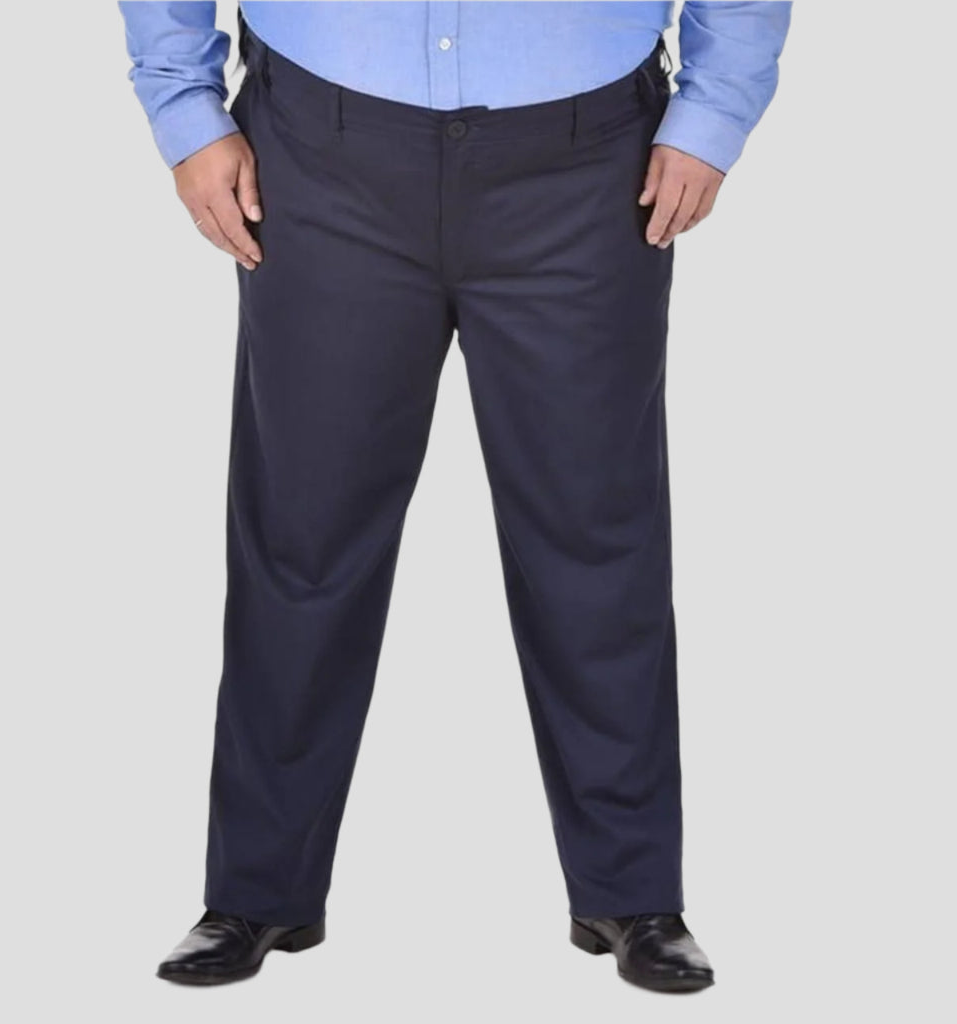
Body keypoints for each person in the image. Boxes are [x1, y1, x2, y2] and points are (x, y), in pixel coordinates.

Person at [118, 0, 791, 992]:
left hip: (588, 163)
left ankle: (632, 891)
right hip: (318, 152)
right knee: (302, 538)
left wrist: (714, 112)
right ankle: (258, 891)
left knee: (595, 539)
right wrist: (184, 107)